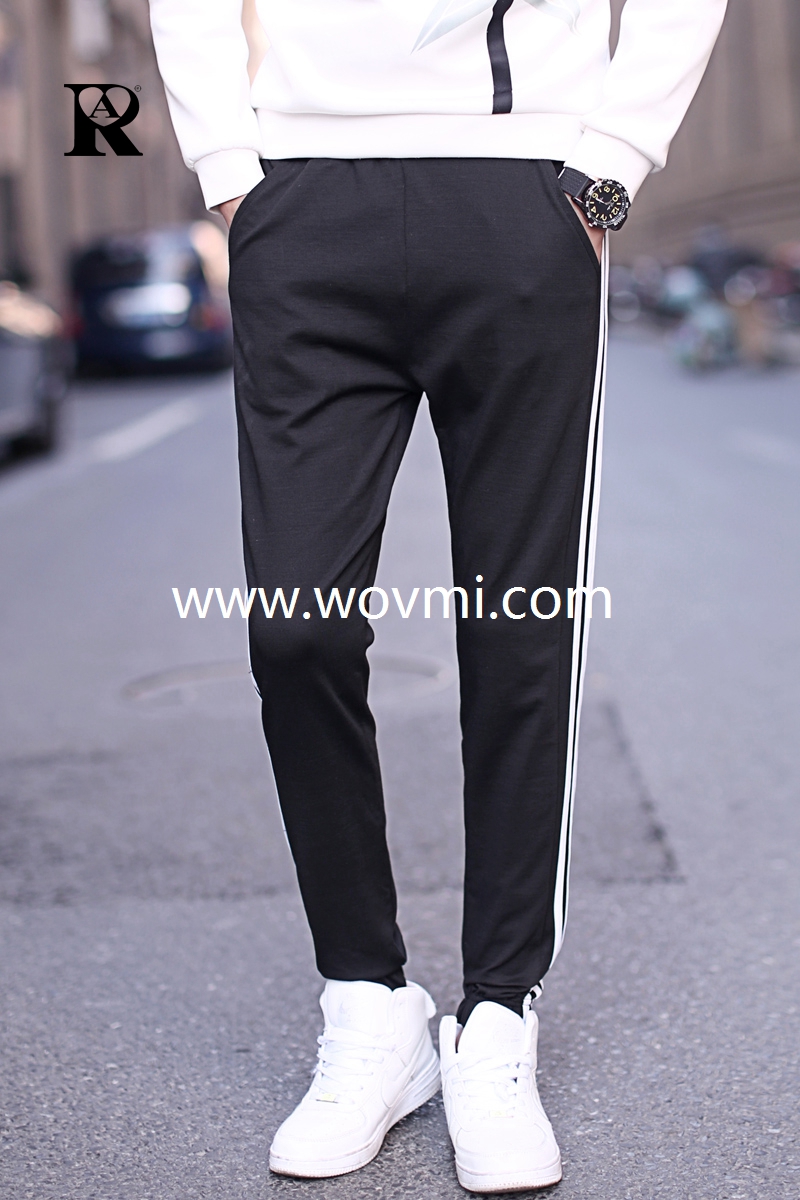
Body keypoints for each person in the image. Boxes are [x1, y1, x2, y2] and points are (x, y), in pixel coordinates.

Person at [149, 1, 727, 1190]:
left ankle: (496, 1016)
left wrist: (609, 163)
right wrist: (228, 168)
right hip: (300, 197)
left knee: (518, 631)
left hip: (523, 192)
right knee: (295, 628)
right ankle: (368, 1007)